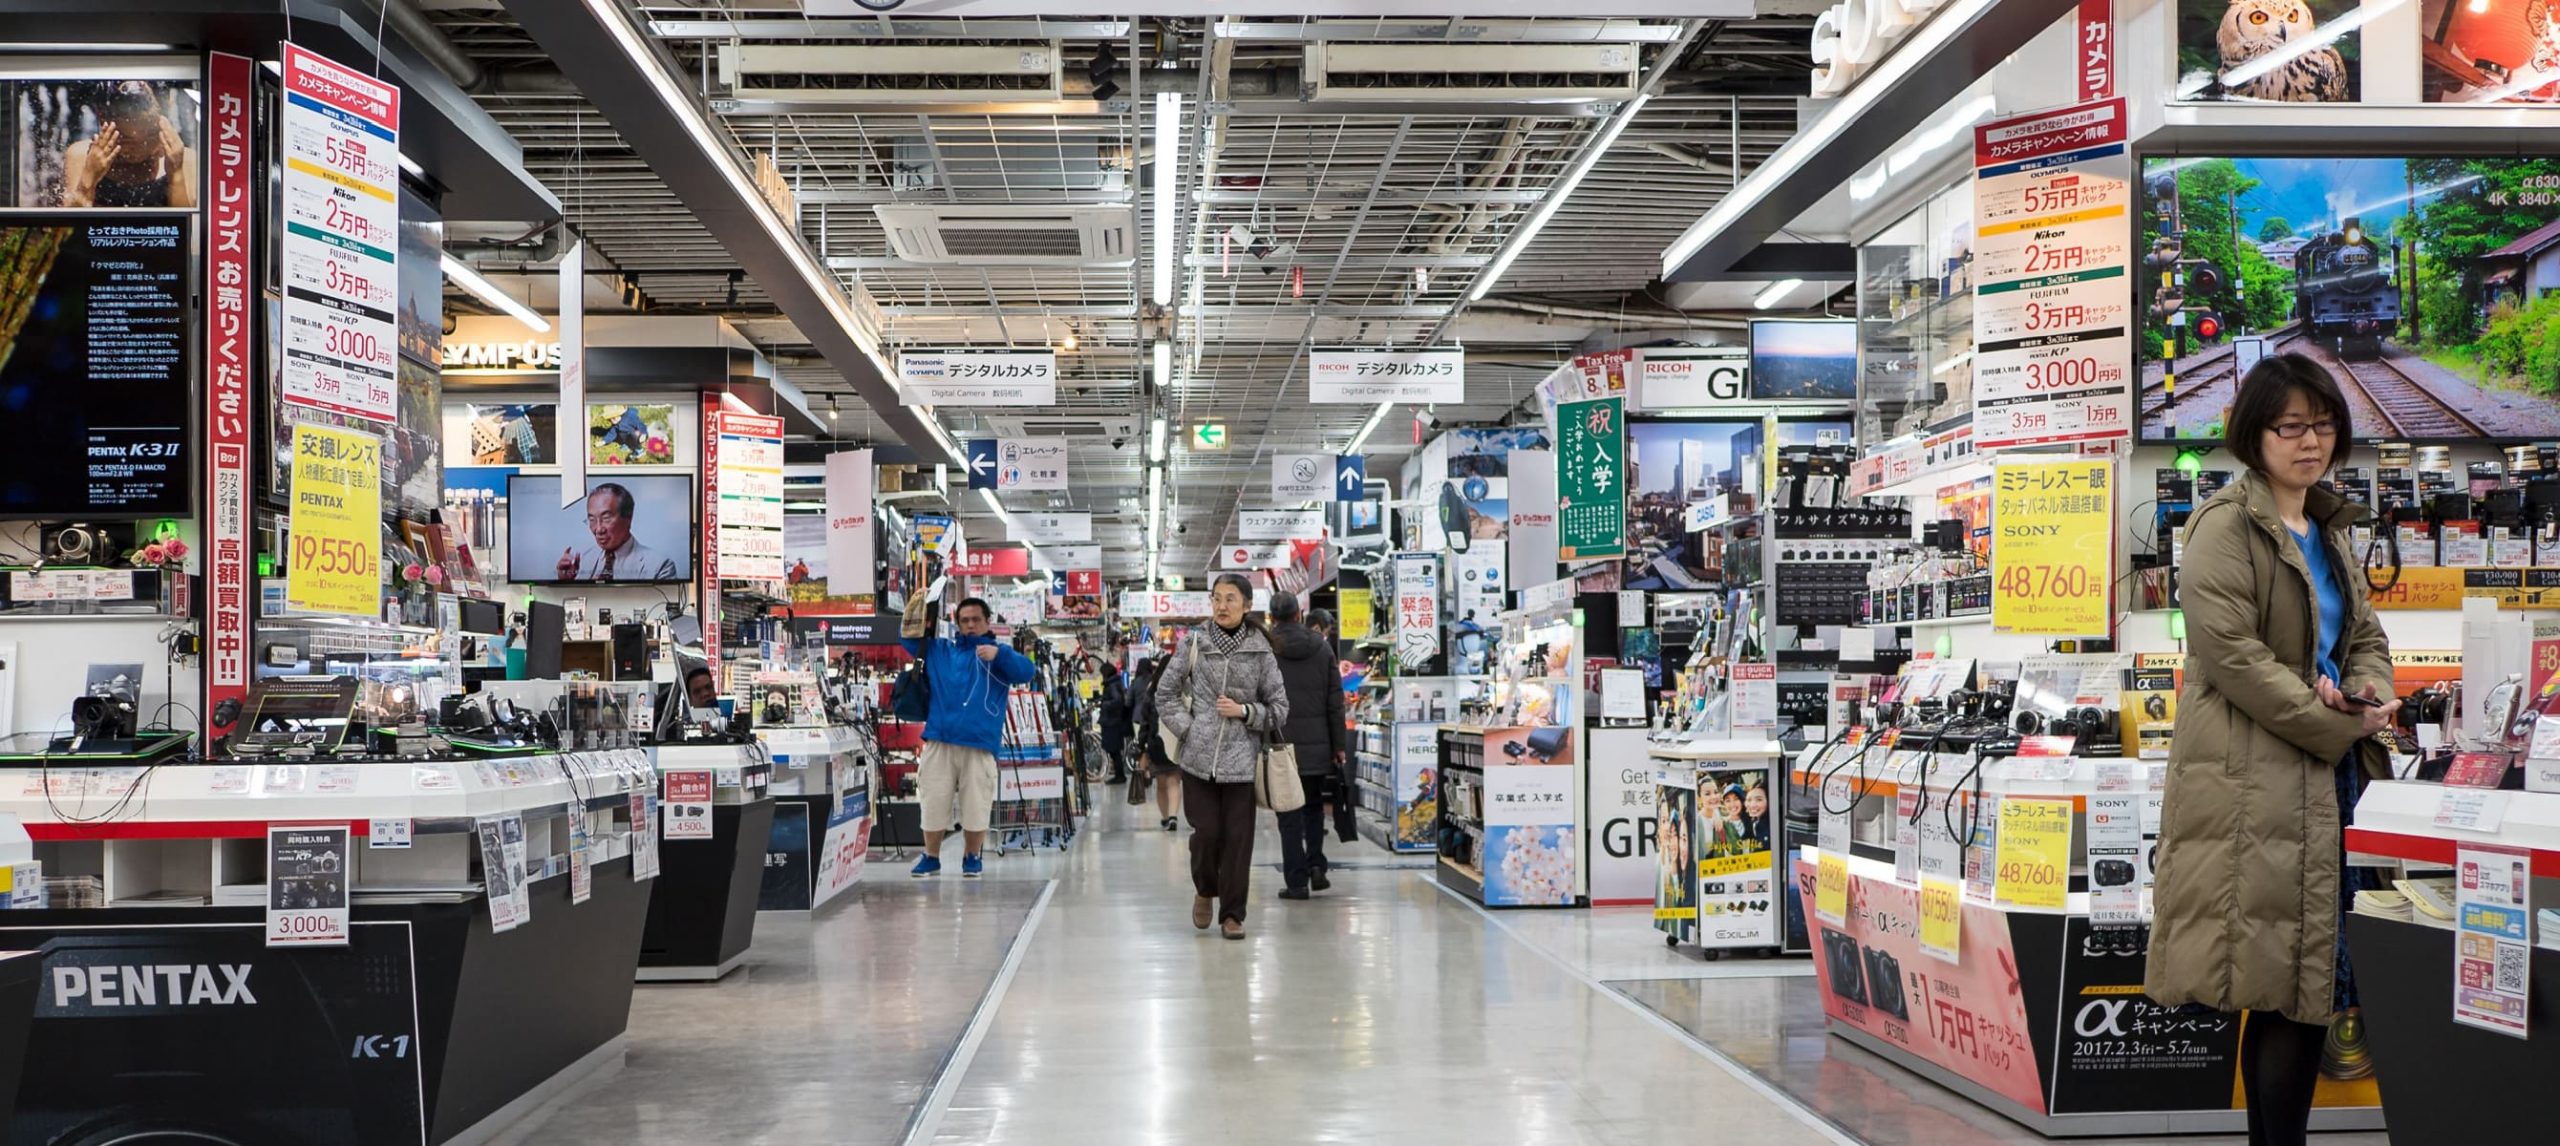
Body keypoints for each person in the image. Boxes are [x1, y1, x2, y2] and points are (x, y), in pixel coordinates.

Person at [2146, 354, 2399, 1146]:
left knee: (2315, 982)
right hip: (2256, 783)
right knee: (2283, 985)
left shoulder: (2328, 526)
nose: (2309, 441)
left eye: (2322, 424)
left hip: (2329, 776)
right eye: (2290, 426)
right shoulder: (2225, 524)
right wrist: (2335, 722)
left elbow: (2365, 636)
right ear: (2252, 435)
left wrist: (2362, 695)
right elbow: (2234, 658)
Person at [1154, 574, 1288, 939]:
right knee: (1207, 834)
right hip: (1198, 761)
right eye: (1217, 599)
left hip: (1242, 763)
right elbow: (1164, 695)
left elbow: (1279, 707)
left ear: (1247, 605)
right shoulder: (1194, 642)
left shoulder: (1261, 651)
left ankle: (1233, 915)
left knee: (1238, 840)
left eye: (1231, 599)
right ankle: (1204, 889)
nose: (1222, 606)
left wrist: (1246, 712)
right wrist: (1190, 728)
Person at [900, 597, 1039, 878]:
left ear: (988, 622)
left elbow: (1027, 672)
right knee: (933, 799)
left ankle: (972, 856)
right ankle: (931, 856)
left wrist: (999, 655)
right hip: (939, 739)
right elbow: (907, 642)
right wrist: (916, 614)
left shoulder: (999, 655)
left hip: (979, 743)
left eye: (976, 619)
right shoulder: (941, 650)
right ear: (957, 625)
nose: (971, 625)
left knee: (977, 803)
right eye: (965, 620)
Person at [1268, 593, 1347, 900]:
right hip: (1317, 744)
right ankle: (1316, 864)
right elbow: (1335, 701)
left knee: (1288, 815)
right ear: (1299, 614)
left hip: (1279, 744)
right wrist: (1338, 745)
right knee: (1314, 807)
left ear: (1273, 617)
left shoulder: (1266, 649)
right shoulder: (1322, 647)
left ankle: (1297, 882)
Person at [61, 82, 197, 208]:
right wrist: (88, 178)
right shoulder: (83, 157)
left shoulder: (184, 159)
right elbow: (67, 229)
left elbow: (189, 228)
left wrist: (176, 173)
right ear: (103, 121)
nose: (139, 149)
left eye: (150, 135)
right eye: (125, 138)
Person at [555, 483, 680, 582]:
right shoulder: (582, 561)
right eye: (591, 519)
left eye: (606, 518)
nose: (598, 529)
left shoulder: (660, 566)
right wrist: (566, 582)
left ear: (628, 518)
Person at [1130, 657, 1181, 829]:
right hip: (1175, 740)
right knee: (1174, 780)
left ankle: (1166, 817)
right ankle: (1173, 816)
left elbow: (1145, 720)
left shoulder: (1152, 690)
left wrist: (1142, 743)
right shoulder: (1180, 689)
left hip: (1156, 741)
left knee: (1161, 783)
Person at [1098, 655, 1133, 783]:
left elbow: (1117, 701)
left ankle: (1120, 775)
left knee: (1114, 750)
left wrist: (1104, 704)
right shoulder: (1115, 683)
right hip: (1113, 721)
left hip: (1112, 722)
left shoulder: (1112, 685)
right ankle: (1119, 774)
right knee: (1114, 750)